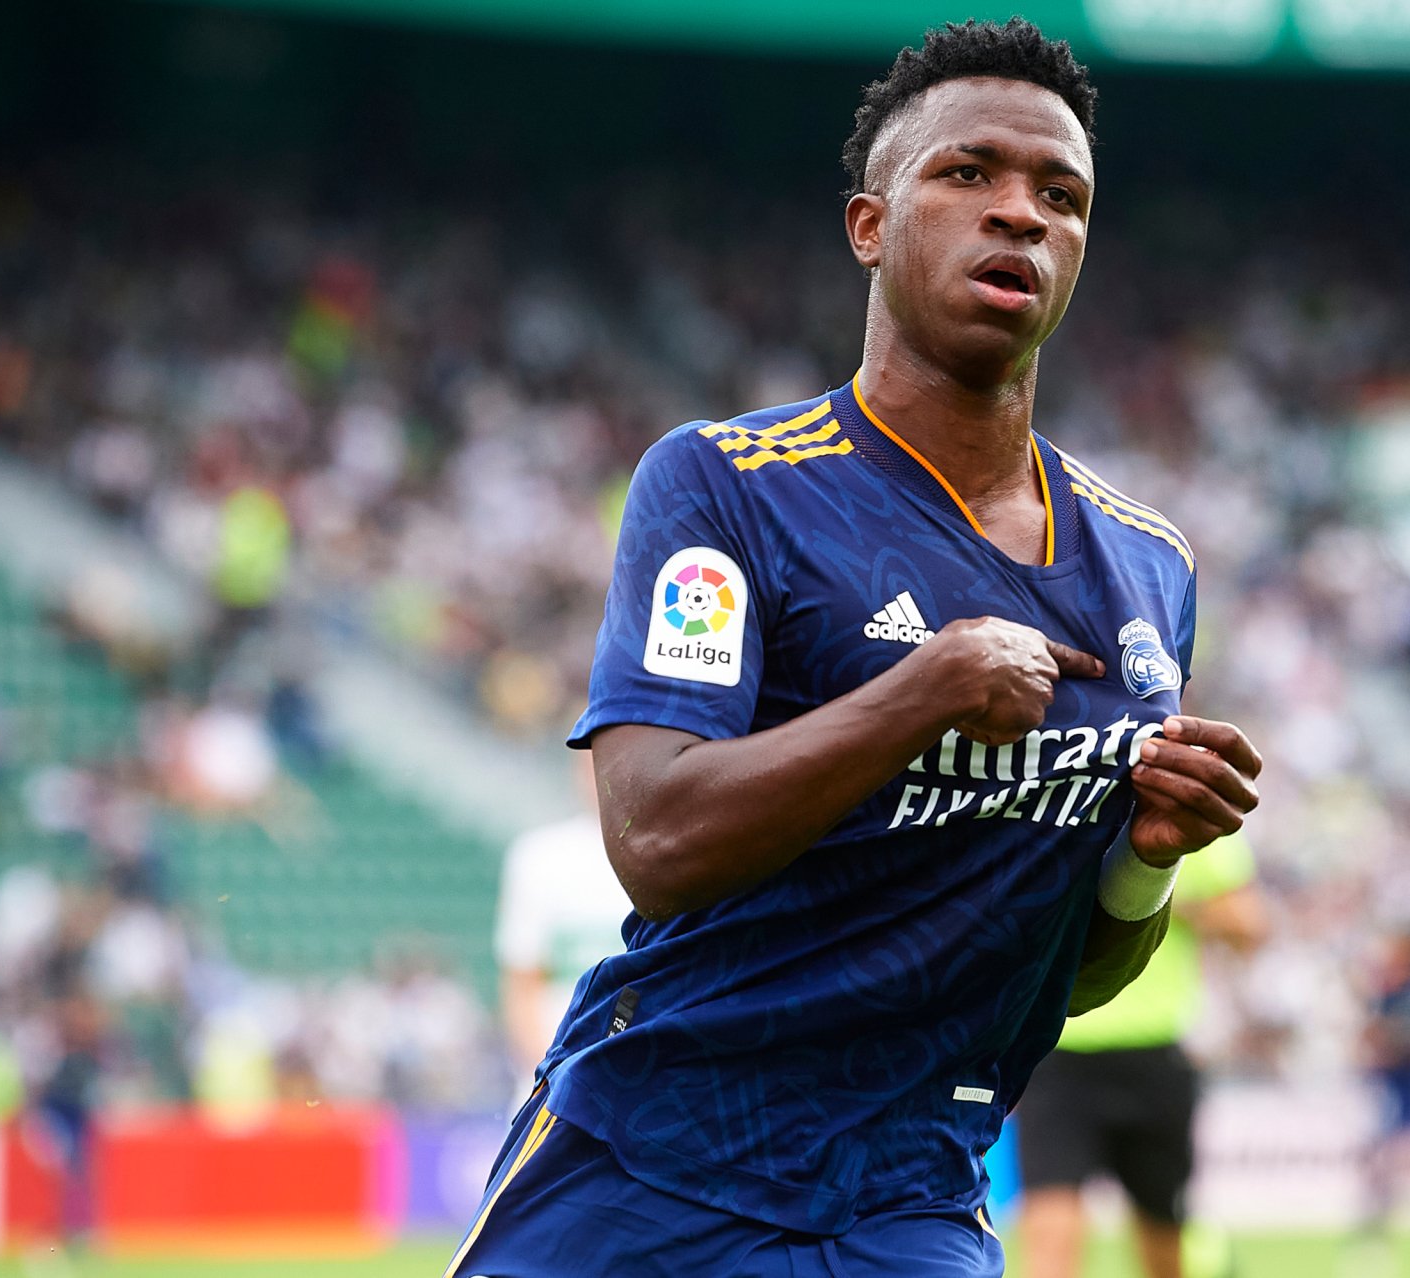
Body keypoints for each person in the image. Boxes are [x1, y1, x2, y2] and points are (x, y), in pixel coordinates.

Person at [442, 20, 1263, 1278]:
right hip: (650, 1164)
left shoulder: (1148, 568)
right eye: (967, 174)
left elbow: (1077, 977)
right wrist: (921, 691)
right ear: (869, 227)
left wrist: (1146, 867)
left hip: (905, 1201)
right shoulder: (725, 486)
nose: (1021, 216)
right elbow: (656, 841)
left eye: (1062, 196)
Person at [1016, 829, 1267, 1278]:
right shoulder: (1058, 811)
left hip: (1152, 1053)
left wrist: (1154, 892)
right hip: (1057, 1050)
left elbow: (1248, 927)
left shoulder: (1184, 814)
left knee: (1163, 1241)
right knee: (1051, 1237)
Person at [494, 757, 630, 1100]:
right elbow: (521, 987)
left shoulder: (667, 855)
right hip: (552, 1082)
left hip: (634, 1076)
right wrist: (552, 1072)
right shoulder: (539, 858)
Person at [1350, 925, 1410, 1273]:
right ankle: (1374, 1223)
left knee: (1408, 1155)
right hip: (1392, 1083)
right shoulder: (1395, 990)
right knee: (1388, 1157)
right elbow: (1376, 1035)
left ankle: (1385, 1219)